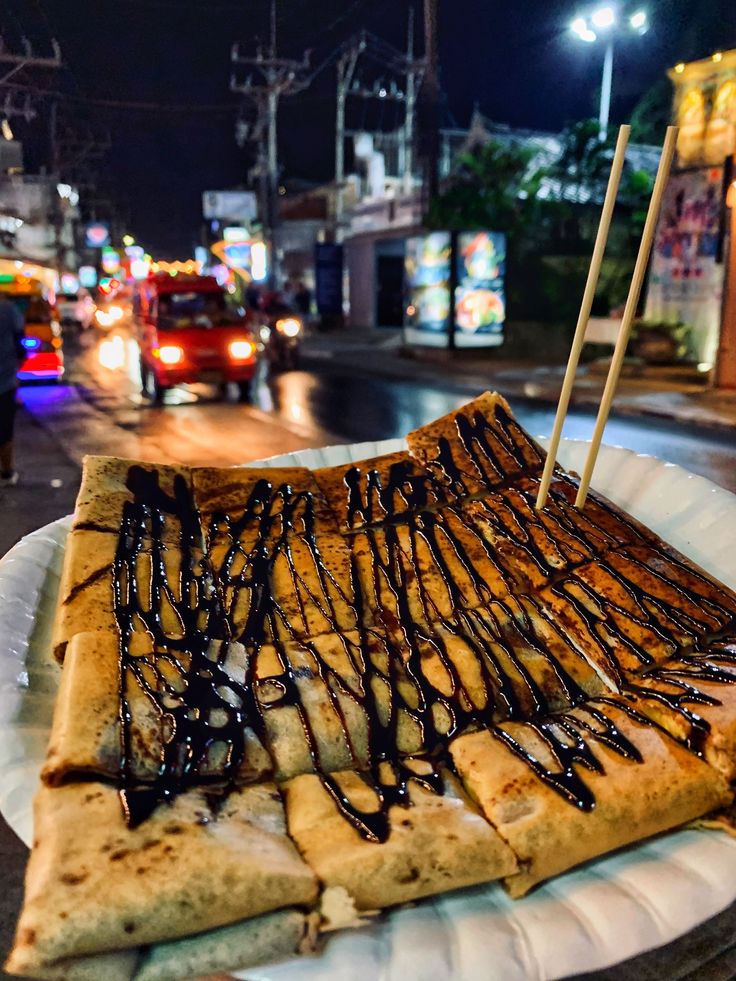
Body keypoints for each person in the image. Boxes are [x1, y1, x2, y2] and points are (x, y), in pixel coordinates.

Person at [0, 292, 24, 487]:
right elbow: (20, 340)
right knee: (5, 428)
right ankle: (7, 471)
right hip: (5, 380)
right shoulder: (8, 309)